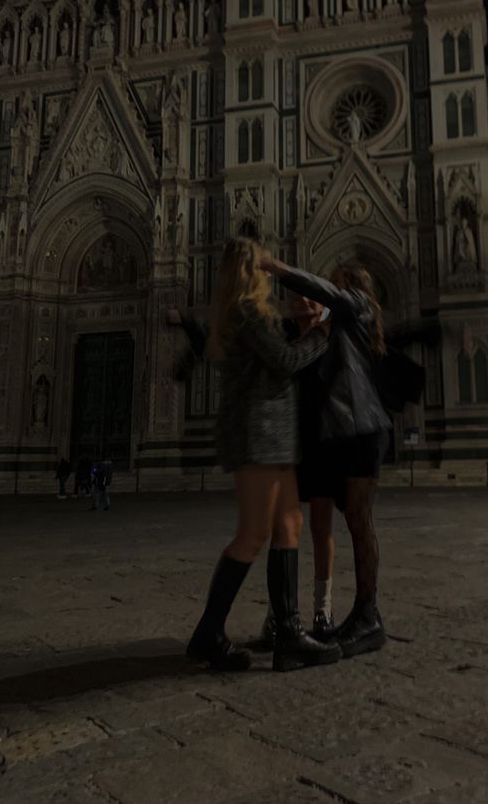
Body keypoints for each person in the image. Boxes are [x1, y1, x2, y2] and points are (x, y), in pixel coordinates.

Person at [171, 237, 341, 673]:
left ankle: (288, 634)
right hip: (258, 435)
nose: (269, 276)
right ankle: (208, 634)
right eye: (264, 269)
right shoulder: (246, 312)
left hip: (272, 436)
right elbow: (284, 360)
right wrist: (322, 333)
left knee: (290, 523)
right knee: (252, 533)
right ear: (251, 271)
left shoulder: (246, 313)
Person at [262, 256, 392, 659]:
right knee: (354, 520)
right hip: (349, 431)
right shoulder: (341, 324)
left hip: (361, 428)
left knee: (359, 520)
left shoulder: (359, 305)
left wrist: (280, 271)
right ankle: (360, 615)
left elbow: (330, 296)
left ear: (352, 285)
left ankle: (368, 615)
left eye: (334, 283)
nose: (327, 289)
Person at [259, 293, 338, 649]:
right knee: (285, 530)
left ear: (323, 307)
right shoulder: (284, 340)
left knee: (322, 528)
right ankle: (278, 615)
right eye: (299, 295)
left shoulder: (332, 341)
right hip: (288, 442)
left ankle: (323, 610)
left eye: (313, 297)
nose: (304, 300)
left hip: (321, 442)